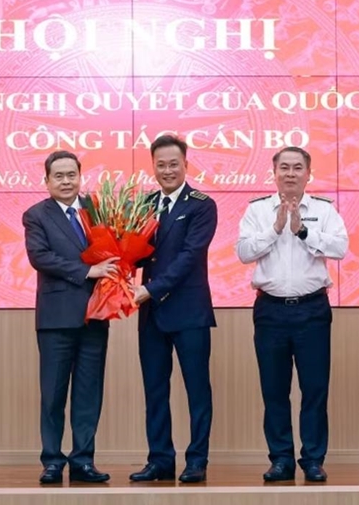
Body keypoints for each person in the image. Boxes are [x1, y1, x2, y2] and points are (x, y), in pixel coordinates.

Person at [236, 146, 348, 483]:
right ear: (273, 173)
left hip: (312, 310)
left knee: (314, 389)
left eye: (297, 167)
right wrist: (275, 229)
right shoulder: (257, 210)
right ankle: (281, 459)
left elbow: (340, 248)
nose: (290, 173)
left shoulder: (324, 209)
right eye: (284, 167)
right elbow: (243, 252)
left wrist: (303, 230)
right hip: (270, 310)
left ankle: (312, 459)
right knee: (274, 390)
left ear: (308, 174)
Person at [22, 150, 119, 484]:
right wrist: (87, 271)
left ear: (80, 176)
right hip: (56, 318)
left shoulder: (98, 209)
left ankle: (83, 461)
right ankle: (52, 461)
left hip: (96, 314)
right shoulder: (36, 214)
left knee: (89, 393)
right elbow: (40, 256)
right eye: (59, 176)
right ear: (47, 180)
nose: (66, 181)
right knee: (53, 394)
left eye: (71, 175)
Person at [130, 134, 217, 483]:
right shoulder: (144, 204)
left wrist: (150, 289)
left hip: (189, 311)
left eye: (173, 164)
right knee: (155, 390)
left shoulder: (202, 205)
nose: (167, 170)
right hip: (151, 314)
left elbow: (188, 257)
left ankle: (197, 460)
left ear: (186, 165)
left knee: (197, 390)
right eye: (161, 165)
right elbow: (136, 253)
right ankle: (160, 459)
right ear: (153, 167)